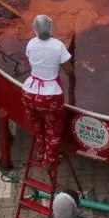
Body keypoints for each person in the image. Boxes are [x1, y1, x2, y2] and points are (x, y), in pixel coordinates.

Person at [22, 15, 74, 167]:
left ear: (35, 29)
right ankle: (49, 161)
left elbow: (32, 60)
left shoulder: (31, 43)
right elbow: (68, 70)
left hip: (29, 92)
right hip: (50, 96)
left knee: (38, 126)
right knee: (53, 129)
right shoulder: (58, 46)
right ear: (51, 28)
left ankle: (40, 154)